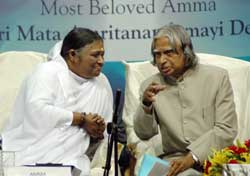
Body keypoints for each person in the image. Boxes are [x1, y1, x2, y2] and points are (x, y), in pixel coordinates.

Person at [1, 27, 113, 176]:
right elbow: (37, 111)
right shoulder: (47, 72)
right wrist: (81, 119)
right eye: (95, 55)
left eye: (102, 55)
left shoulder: (102, 84)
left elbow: (104, 133)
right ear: (72, 55)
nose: (101, 61)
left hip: (73, 163)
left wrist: (97, 131)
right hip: (28, 157)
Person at [133, 24, 238, 176]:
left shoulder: (217, 78)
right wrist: (146, 105)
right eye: (157, 54)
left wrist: (192, 157)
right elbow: (144, 134)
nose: (162, 60)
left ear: (186, 52)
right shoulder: (150, 86)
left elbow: (226, 129)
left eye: (169, 53)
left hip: (215, 158)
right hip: (173, 160)